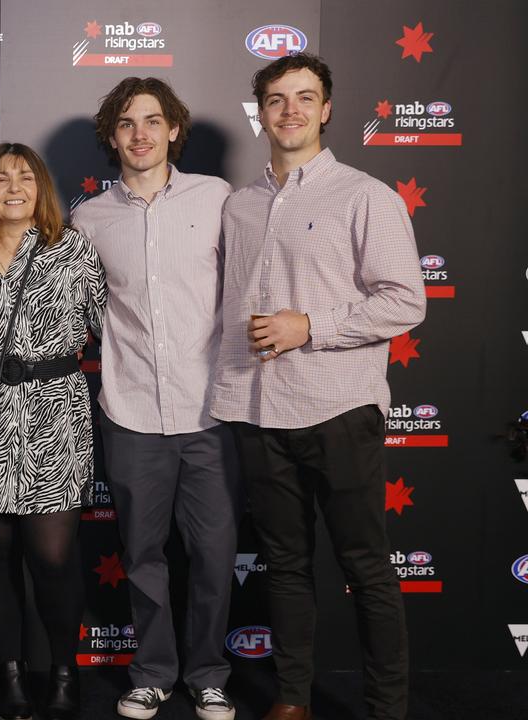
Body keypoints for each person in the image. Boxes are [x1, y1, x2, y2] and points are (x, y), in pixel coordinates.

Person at [210, 53, 425, 720]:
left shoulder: (365, 195)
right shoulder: (239, 208)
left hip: (338, 407)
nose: (291, 110)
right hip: (259, 409)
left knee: (366, 567)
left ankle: (387, 708)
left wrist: (312, 326)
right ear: (261, 113)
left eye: (305, 98)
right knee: (285, 563)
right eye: (277, 99)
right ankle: (294, 698)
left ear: (327, 109)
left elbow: (405, 302)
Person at [73, 78, 239, 720]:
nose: (139, 133)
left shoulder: (218, 199)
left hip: (209, 411)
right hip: (132, 410)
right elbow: (72, 311)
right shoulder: (88, 218)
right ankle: (152, 671)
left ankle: (209, 674)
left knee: (214, 554)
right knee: (142, 556)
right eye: (125, 123)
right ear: (111, 136)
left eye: (152, 120)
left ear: (174, 129)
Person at [0, 143, 106, 720]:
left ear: (41, 188)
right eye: (0, 178)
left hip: (53, 415)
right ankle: (9, 672)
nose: (13, 187)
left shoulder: (75, 250)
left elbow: (105, 325)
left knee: (53, 556)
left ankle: (65, 670)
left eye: (25, 178)